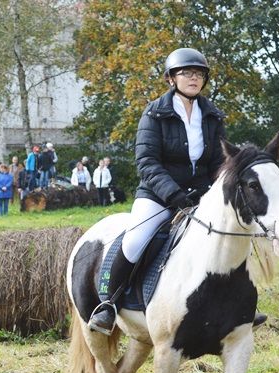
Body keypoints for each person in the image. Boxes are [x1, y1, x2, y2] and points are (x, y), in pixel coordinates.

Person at [88, 47, 226, 334]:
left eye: (199, 73)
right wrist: (174, 195)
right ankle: (108, 305)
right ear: (171, 79)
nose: (194, 78)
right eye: (186, 72)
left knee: (231, 235)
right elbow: (147, 162)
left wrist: (216, 190)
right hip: (158, 195)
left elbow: (218, 161)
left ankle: (238, 304)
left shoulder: (212, 115)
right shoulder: (154, 113)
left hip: (201, 196)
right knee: (135, 240)